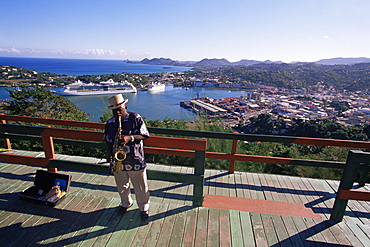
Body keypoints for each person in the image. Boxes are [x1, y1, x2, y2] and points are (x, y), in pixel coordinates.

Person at [103, 94, 150, 221]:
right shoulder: (110, 123)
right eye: (115, 110)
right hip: (119, 161)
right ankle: (125, 203)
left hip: (135, 158)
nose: (118, 112)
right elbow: (107, 140)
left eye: (120, 109)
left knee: (140, 186)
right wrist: (110, 156)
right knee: (121, 185)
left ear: (125, 107)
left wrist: (130, 138)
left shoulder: (135, 117)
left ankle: (144, 207)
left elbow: (145, 134)